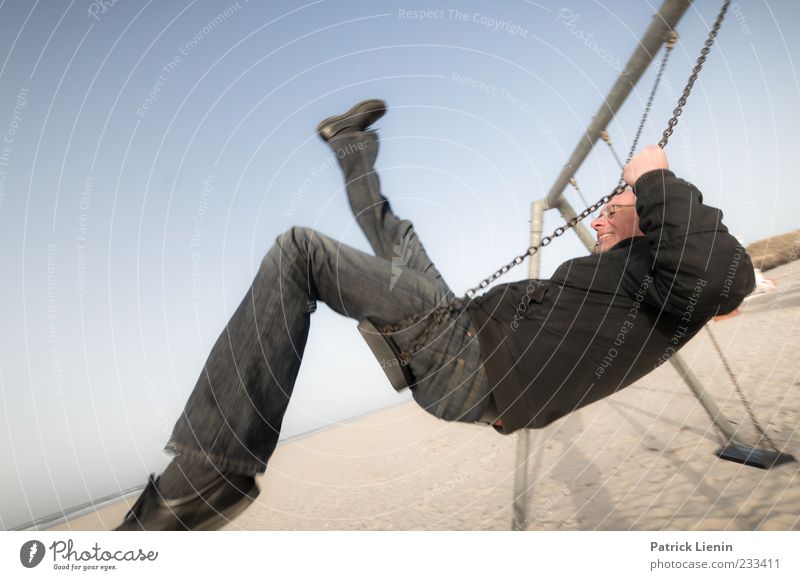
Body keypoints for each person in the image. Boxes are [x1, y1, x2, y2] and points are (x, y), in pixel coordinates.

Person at [115, 100, 755, 531]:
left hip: (471, 360)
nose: (594, 216)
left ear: (653, 212)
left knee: (297, 251)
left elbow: (726, 277)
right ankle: (351, 145)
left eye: (611, 204)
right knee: (402, 241)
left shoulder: (683, 274)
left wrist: (653, 177)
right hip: (466, 336)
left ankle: (205, 475)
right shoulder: (643, 277)